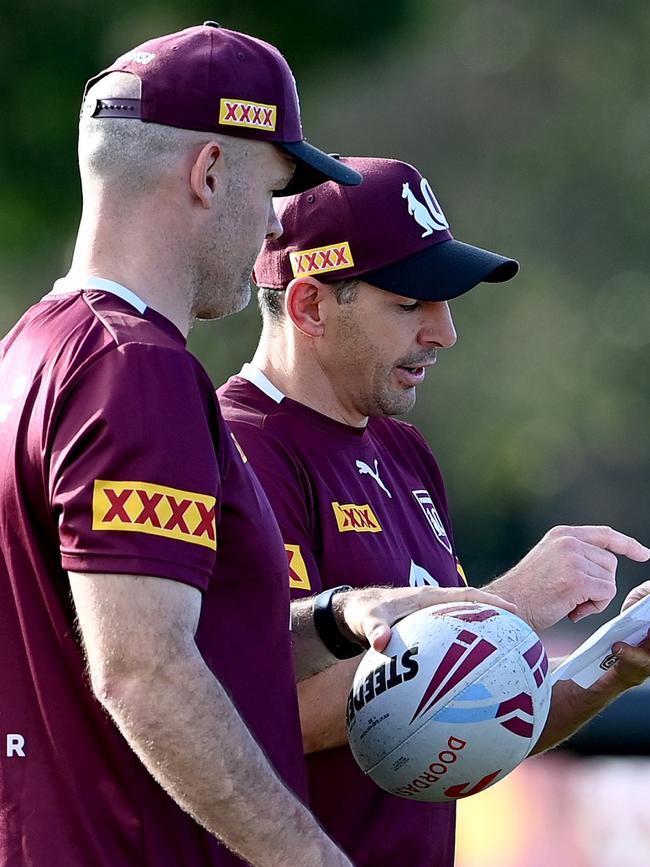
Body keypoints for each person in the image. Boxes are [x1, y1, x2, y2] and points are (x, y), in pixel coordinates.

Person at [0, 28, 518, 867]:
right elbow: (145, 670)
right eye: (276, 192)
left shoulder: (33, 344)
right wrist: (310, 858)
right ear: (209, 174)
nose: (275, 229)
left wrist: (339, 616)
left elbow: (175, 641)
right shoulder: (138, 367)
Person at [218, 155, 650, 867]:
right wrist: (504, 606)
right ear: (309, 305)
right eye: (410, 301)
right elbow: (255, 712)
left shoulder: (404, 450)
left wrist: (615, 666)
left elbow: (449, 727)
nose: (444, 331)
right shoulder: (239, 448)